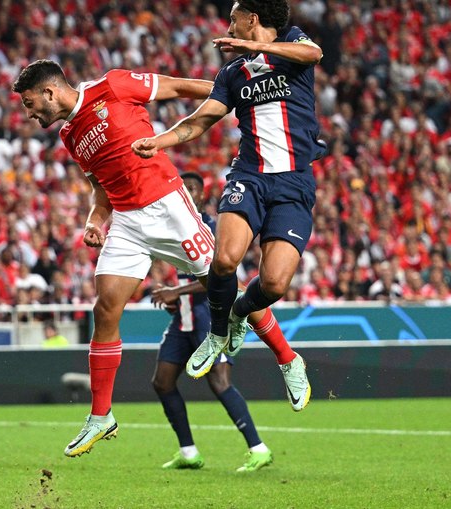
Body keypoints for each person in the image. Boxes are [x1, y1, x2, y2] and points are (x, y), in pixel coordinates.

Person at [12, 59, 298, 458]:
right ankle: (101, 416)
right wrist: (96, 221)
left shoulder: (111, 86)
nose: (28, 113)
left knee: (228, 285)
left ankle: (287, 358)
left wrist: (233, 98)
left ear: (49, 92)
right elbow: (101, 189)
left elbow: (178, 86)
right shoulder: (69, 135)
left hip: (167, 207)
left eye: (28, 103)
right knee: (106, 307)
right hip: (127, 221)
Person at [132, 0, 317, 410]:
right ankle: (218, 334)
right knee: (224, 259)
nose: (228, 23)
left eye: (234, 16)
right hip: (248, 177)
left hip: (294, 183)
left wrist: (259, 49)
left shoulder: (292, 44)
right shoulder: (232, 74)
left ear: (252, 18)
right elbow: (199, 122)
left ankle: (242, 318)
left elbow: (313, 54)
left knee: (273, 285)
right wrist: (157, 142)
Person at [151, 172, 272, 472]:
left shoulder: (215, 227)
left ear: (203, 196)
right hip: (184, 319)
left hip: (211, 316)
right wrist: (176, 300)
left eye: (192, 189)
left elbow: (221, 278)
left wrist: (175, 291)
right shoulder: (178, 229)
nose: (188, 193)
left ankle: (258, 448)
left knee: (219, 382)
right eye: (183, 189)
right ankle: (188, 451)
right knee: (162, 382)